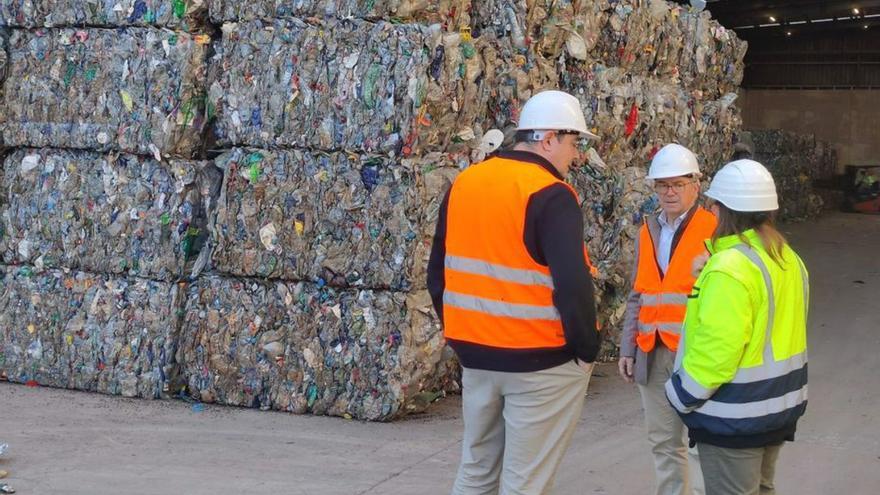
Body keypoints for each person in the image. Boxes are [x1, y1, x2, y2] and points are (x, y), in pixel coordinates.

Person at [427, 90, 601, 494]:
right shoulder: (550, 194)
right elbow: (572, 283)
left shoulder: (466, 182)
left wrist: (462, 334)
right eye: (574, 143)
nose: (576, 156)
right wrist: (586, 348)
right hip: (539, 363)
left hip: (476, 356)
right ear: (549, 138)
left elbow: (437, 273)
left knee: (476, 471)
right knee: (526, 483)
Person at [665, 159, 809, 495]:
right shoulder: (787, 257)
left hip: (736, 417)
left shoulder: (730, 267)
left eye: (714, 206)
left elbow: (717, 351)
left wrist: (680, 394)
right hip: (778, 408)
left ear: (721, 210)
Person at [618, 143, 715, 495]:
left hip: (695, 354)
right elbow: (638, 293)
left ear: (696, 186)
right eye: (663, 185)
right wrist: (628, 348)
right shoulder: (648, 230)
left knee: (703, 441)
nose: (669, 192)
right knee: (663, 442)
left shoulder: (714, 229)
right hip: (653, 351)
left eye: (678, 184)